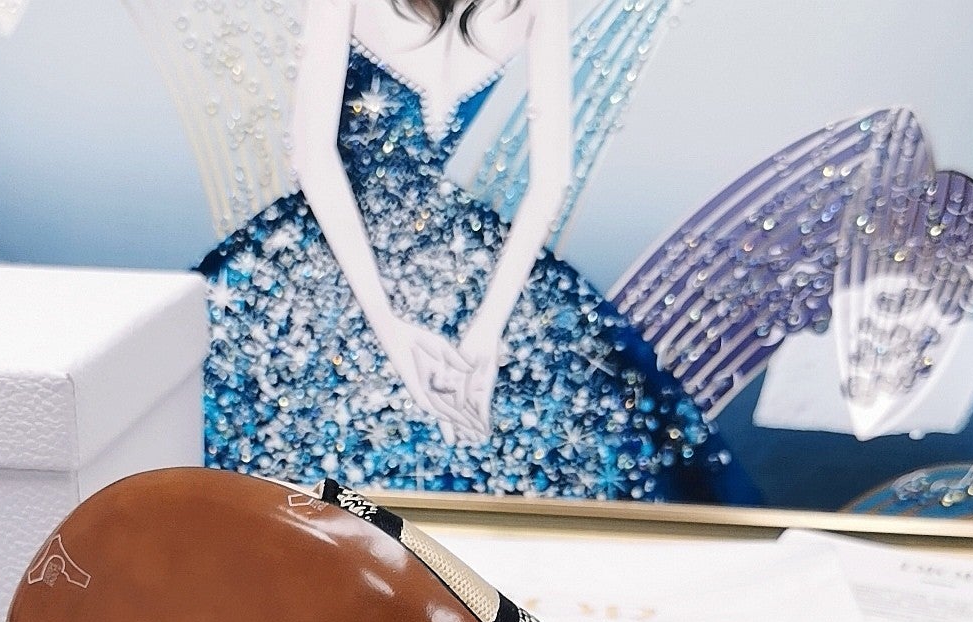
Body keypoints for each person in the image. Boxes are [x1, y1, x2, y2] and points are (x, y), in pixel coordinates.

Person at [200, 0, 750, 501]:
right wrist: (478, 332)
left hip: (352, 250)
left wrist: (430, 331)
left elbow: (314, 158)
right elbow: (550, 181)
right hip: (424, 248)